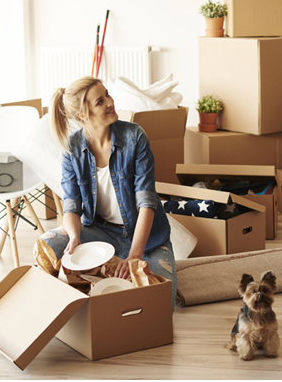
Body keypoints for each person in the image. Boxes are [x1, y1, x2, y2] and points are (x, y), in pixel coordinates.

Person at [36, 76, 178, 309]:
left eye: (107, 95)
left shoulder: (135, 137)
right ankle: (76, 294)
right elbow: (71, 204)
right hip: (101, 233)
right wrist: (74, 238)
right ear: (82, 114)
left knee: (161, 304)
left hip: (147, 239)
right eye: (100, 102)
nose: (110, 102)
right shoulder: (72, 149)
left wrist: (134, 255)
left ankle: (111, 271)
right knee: (47, 244)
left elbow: (146, 202)